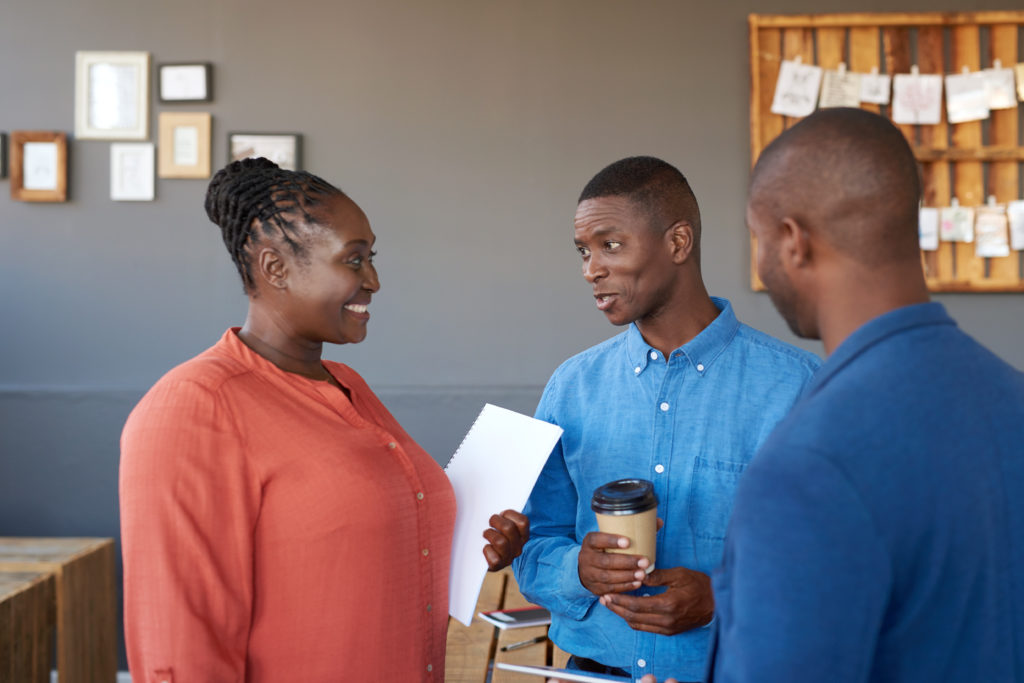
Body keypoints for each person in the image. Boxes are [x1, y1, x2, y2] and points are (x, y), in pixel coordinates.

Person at [642, 108, 1024, 683]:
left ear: (793, 241)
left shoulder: (806, 464)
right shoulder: (1009, 397)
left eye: (758, 238)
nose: (761, 262)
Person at [119, 158, 529, 682]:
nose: (374, 280)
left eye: (371, 257)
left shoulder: (347, 386)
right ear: (275, 268)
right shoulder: (195, 407)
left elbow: (366, 547)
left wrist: (482, 547)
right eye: (353, 261)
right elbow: (178, 647)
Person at [512, 156, 821, 682]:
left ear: (678, 243)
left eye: (611, 245)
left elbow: (840, 558)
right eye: (584, 252)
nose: (591, 269)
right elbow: (535, 543)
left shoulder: (800, 387)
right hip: (593, 669)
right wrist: (577, 570)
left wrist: (725, 599)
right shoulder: (571, 386)